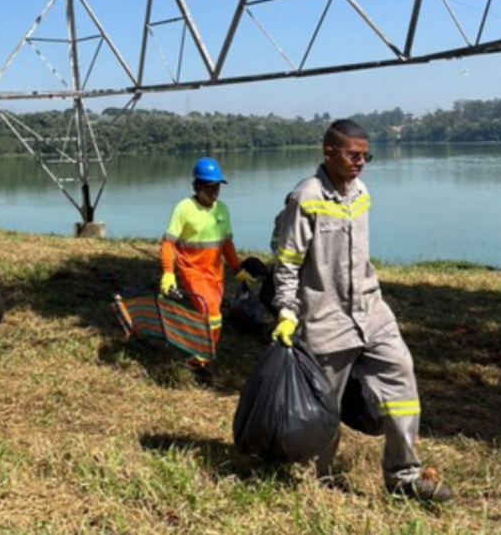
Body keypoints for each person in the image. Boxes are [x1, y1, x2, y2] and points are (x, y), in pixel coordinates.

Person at [269, 119, 453, 503]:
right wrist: (286, 310)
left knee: (401, 379)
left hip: (372, 312)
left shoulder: (362, 191)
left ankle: (403, 474)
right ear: (330, 153)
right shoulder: (305, 196)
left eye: (366, 155)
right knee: (324, 406)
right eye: (354, 154)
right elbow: (285, 262)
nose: (361, 162)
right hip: (325, 318)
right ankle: (313, 477)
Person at [159, 157, 258, 368]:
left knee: (213, 316)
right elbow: (168, 243)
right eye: (210, 187)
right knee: (213, 315)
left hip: (216, 274)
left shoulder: (222, 209)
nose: (215, 192)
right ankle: (200, 359)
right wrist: (168, 273)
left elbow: (226, 244)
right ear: (197, 186)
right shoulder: (184, 208)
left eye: (217, 187)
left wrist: (238, 269)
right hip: (192, 271)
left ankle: (201, 353)